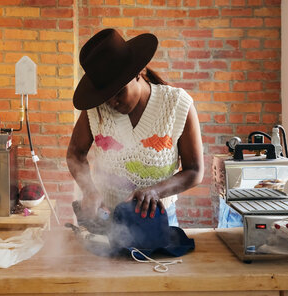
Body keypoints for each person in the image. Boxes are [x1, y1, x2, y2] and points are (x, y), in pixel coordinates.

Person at [66, 28, 204, 227]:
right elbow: (75, 154)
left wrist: (155, 191)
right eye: (105, 97)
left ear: (141, 72)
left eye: (119, 92)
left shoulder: (177, 104)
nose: (112, 102)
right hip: (108, 221)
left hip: (158, 221)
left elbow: (194, 170)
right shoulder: (95, 111)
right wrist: (89, 191)